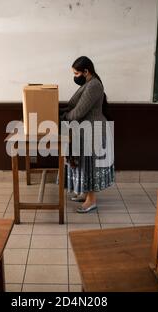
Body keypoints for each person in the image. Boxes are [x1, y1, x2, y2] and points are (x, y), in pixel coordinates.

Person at [59, 56, 115, 213]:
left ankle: (91, 201)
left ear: (86, 71)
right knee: (83, 165)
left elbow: (78, 112)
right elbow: (73, 107)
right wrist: (59, 112)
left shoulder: (94, 86)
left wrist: (61, 117)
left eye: (76, 74)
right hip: (86, 130)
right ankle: (85, 194)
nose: (75, 77)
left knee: (89, 167)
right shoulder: (88, 83)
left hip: (93, 133)